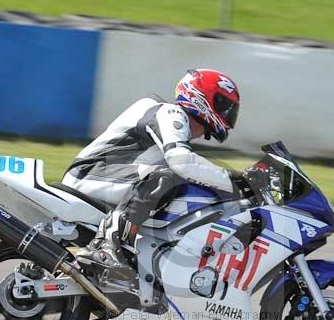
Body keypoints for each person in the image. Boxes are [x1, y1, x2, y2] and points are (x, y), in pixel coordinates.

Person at [62, 69, 241, 280]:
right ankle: (106, 246)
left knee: (187, 185)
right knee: (166, 178)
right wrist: (237, 180)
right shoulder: (168, 112)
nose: (227, 114)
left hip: (110, 179)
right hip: (90, 174)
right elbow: (182, 162)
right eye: (223, 105)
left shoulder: (174, 125)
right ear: (201, 96)